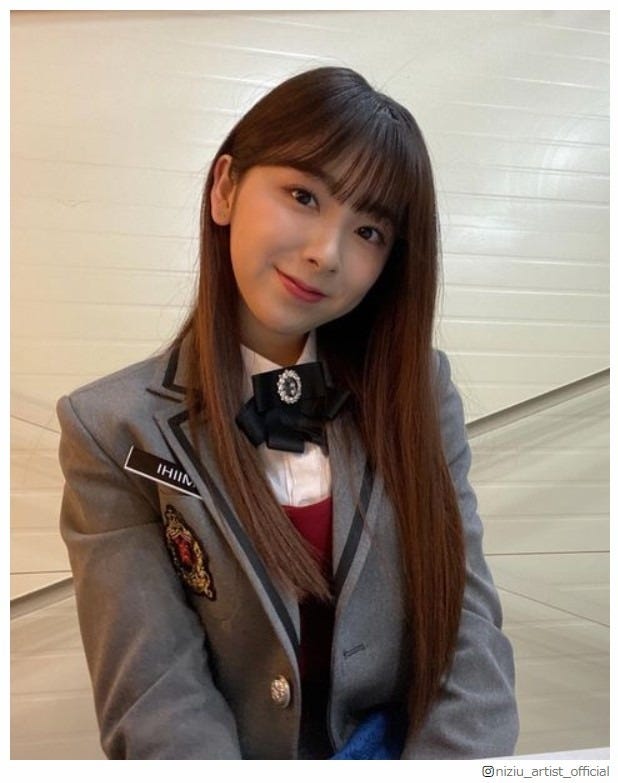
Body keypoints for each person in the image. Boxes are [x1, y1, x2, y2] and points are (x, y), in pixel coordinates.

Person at [57, 66, 519, 760]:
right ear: (225, 188)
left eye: (369, 231)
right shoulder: (112, 431)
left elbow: (467, 632)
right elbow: (157, 698)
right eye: (303, 196)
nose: (325, 253)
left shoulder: (420, 390)